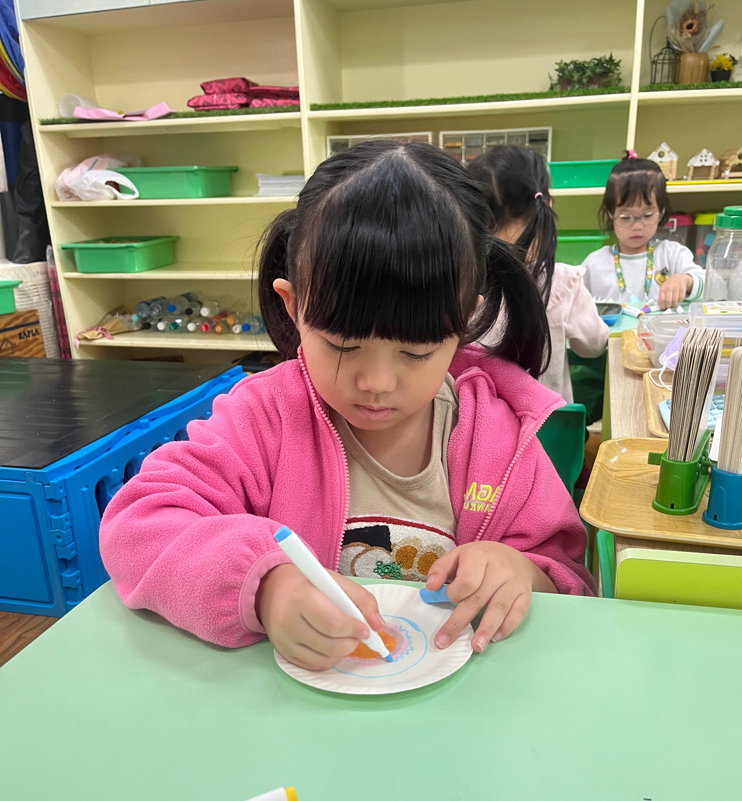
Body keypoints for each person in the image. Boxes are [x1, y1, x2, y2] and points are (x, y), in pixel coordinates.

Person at [100, 141, 595, 673]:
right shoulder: (264, 418)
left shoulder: (498, 437)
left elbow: (566, 573)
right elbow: (139, 525)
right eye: (342, 345)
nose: (376, 383)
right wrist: (265, 585)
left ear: (465, 321)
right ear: (294, 307)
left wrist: (520, 573)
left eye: (416, 352)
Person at [467, 144, 608, 403]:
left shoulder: (461, 285)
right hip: (549, 425)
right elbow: (593, 346)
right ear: (546, 205)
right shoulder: (564, 284)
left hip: (476, 424)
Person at [582, 152, 704, 309]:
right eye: (626, 217)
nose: (637, 226)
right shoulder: (594, 263)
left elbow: (710, 284)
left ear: (661, 212)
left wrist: (685, 280)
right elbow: (574, 301)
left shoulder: (672, 254)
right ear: (610, 215)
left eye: (647, 215)